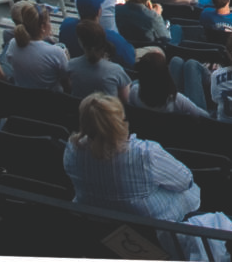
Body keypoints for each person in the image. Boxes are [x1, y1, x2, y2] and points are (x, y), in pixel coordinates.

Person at [60, 94, 201, 223]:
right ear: (119, 122)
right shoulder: (145, 153)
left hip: (94, 218)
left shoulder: (72, 149)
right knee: (189, 190)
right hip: (149, 227)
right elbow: (186, 181)